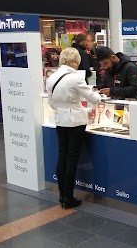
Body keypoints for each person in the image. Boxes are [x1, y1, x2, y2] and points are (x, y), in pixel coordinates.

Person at [46, 47, 102, 209]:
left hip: (60, 120)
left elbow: (51, 103)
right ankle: (68, 197)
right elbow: (93, 98)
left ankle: (62, 195)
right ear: (75, 62)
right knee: (72, 159)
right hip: (76, 121)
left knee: (62, 156)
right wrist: (99, 96)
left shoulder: (52, 77)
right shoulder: (75, 78)